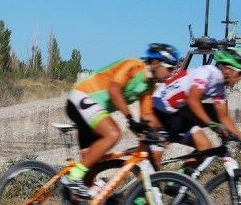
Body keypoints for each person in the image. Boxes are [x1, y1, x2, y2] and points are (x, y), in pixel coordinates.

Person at [62, 43, 180, 197]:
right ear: (156, 62)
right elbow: (114, 90)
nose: (171, 74)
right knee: (113, 134)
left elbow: (147, 114)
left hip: (93, 109)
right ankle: (73, 177)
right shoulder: (133, 65)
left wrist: (162, 132)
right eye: (169, 68)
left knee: (89, 168)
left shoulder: (149, 85)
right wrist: (130, 119)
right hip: (83, 95)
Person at [153, 47, 241, 162]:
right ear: (227, 69)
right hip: (161, 109)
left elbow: (224, 117)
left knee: (205, 147)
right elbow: (193, 101)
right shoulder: (207, 73)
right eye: (240, 72)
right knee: (154, 165)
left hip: (178, 112)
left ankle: (184, 174)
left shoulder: (219, 86)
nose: (240, 78)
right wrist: (212, 124)